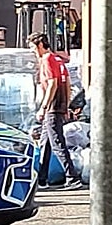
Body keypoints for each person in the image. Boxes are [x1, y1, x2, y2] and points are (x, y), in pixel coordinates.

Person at [28, 32, 82, 191]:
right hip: (59, 105)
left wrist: (43, 107)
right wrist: (66, 105)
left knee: (57, 143)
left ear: (39, 45)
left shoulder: (46, 60)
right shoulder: (58, 59)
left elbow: (52, 83)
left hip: (52, 108)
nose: (32, 51)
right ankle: (42, 179)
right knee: (45, 143)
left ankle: (72, 178)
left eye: (32, 47)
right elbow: (67, 83)